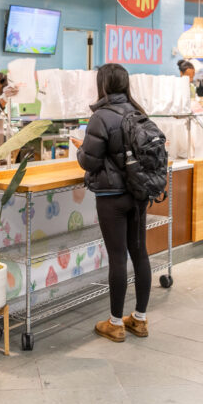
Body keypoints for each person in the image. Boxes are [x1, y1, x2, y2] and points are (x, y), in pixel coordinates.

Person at [73, 63, 152, 343]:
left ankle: (116, 323)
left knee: (118, 257)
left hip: (112, 197)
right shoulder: (138, 112)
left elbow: (90, 161)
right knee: (140, 253)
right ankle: (139, 320)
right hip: (139, 194)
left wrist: (80, 150)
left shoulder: (101, 117)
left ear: (102, 85)